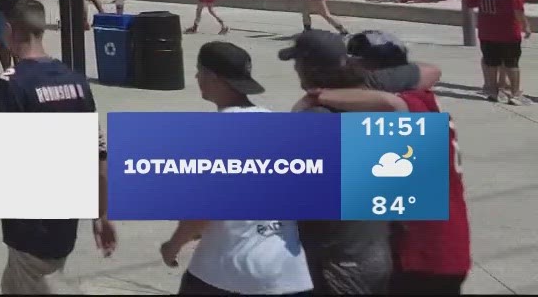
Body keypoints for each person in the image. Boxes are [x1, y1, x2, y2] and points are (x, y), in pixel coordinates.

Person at [158, 42, 311, 296]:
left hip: (228, 274)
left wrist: (172, 246)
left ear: (212, 77)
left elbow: (202, 210)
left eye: (199, 71)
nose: (196, 77)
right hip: (289, 273)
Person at [326, 35, 470, 294]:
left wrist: (318, 98)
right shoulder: (420, 98)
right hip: (441, 249)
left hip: (422, 254)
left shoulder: (402, 110)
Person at [0, 0, 115, 294]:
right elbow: (99, 154)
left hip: (29, 220)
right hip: (65, 216)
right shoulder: (75, 81)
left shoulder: (11, 84)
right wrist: (101, 213)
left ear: (9, 30)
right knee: (15, 284)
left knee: (41, 281)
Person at [279, 31, 392, 294]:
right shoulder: (370, 106)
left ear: (307, 67)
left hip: (336, 260)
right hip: (374, 251)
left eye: (297, 62)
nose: (295, 68)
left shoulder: (316, 118)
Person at [464, 0, 528, 104]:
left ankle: (493, 91)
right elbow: (518, 8)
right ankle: (515, 94)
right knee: (511, 63)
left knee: (491, 62)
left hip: (486, 30)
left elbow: (470, 3)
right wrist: (526, 26)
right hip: (508, 30)